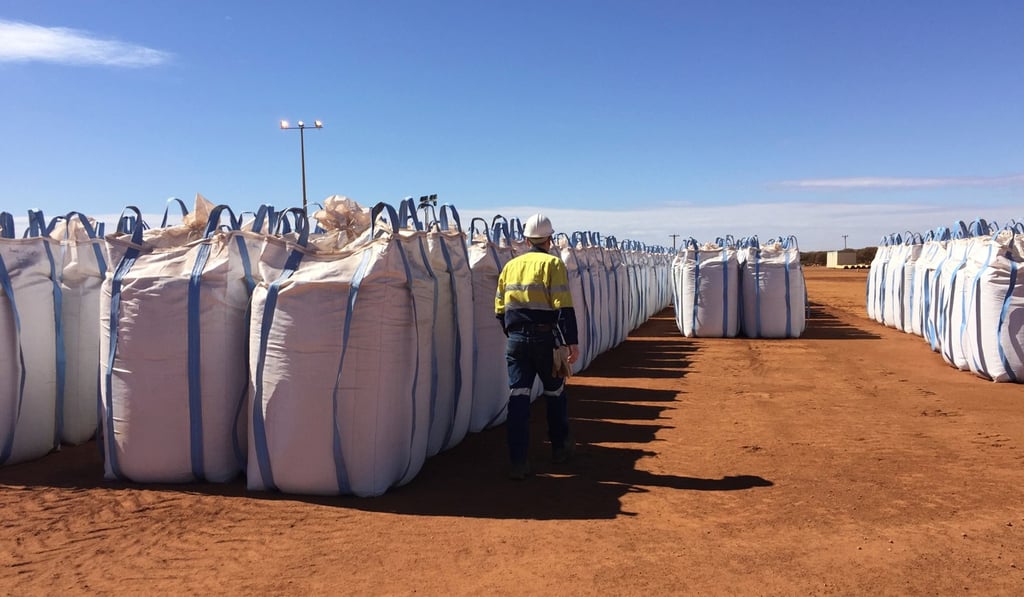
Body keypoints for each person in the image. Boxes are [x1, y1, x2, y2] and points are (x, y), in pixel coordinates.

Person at [495, 213, 580, 480]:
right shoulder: (553, 264)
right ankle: (560, 448)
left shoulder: (511, 265)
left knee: (518, 399)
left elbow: (499, 308)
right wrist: (571, 342)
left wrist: (514, 334)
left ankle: (518, 461)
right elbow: (563, 305)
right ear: (549, 238)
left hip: (516, 341)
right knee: (555, 394)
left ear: (526, 238)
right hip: (546, 341)